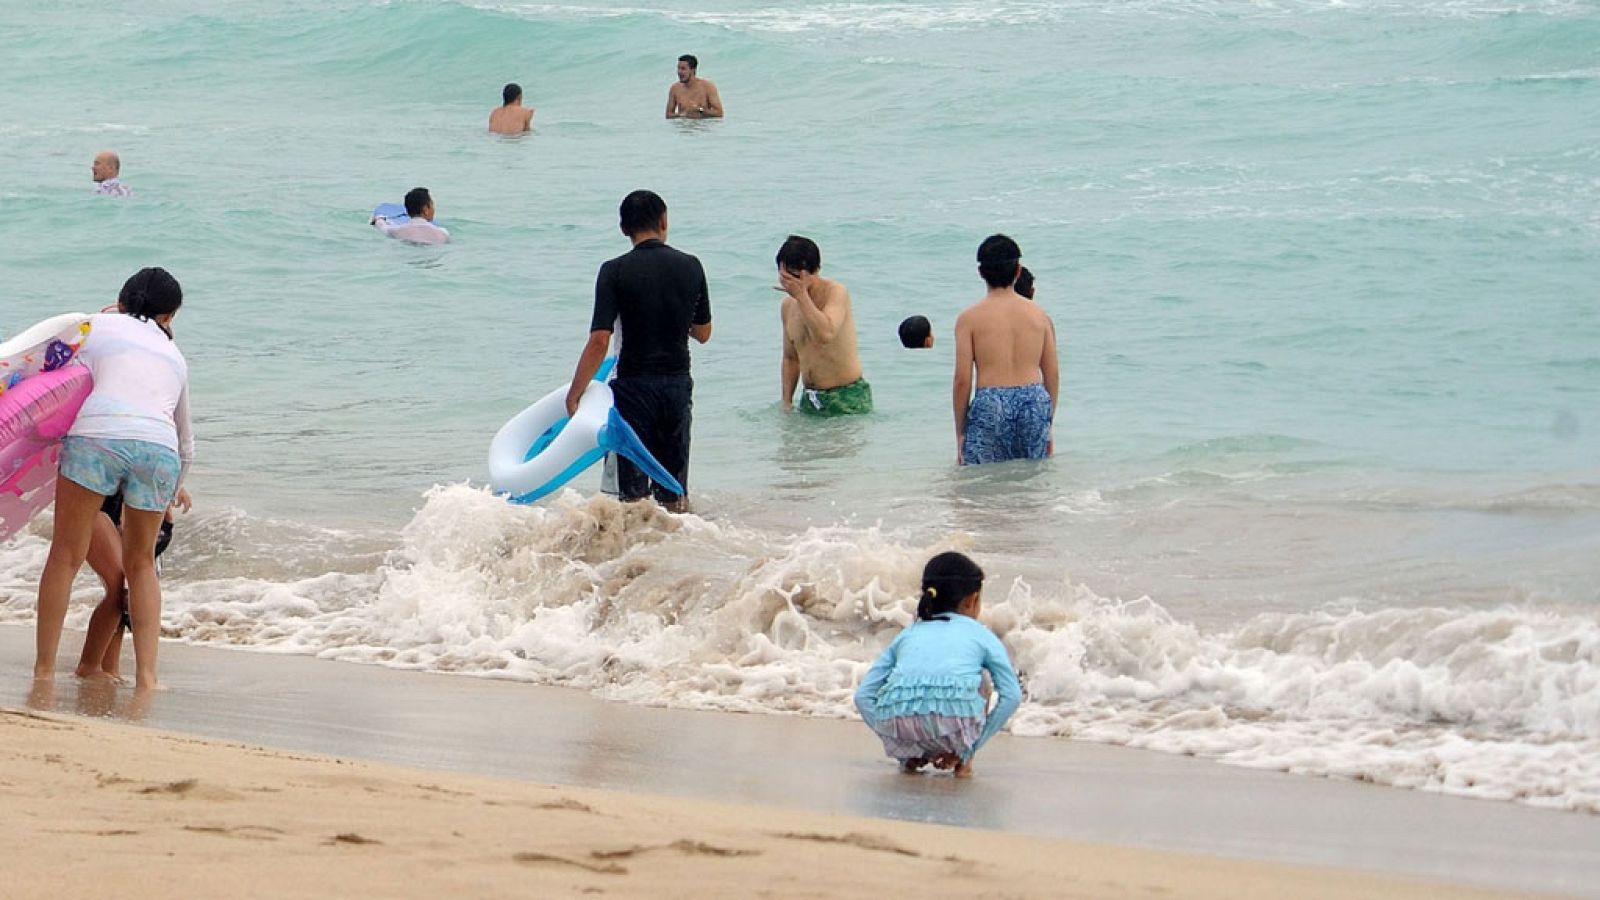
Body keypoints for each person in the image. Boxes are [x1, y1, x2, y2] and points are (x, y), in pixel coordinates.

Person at [33, 267, 193, 691]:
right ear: (170, 316)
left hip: (96, 436)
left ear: (120, 301)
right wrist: (176, 485)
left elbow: (45, 370)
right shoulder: (175, 356)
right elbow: (185, 440)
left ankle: (44, 673)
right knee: (141, 565)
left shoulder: (94, 326)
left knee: (65, 554)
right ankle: (147, 679)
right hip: (159, 449)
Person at [565, 190, 711, 513]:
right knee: (673, 488)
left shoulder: (613, 271)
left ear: (623, 228)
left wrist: (575, 393)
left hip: (632, 388)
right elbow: (703, 333)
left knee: (631, 496)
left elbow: (600, 341)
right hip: (676, 385)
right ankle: (676, 552)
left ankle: (636, 556)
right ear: (664, 220)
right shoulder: (691, 266)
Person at [855, 551, 1022, 778]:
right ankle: (963, 761)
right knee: (981, 680)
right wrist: (971, 745)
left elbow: (863, 696)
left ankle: (910, 758)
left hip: (900, 727)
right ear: (972, 600)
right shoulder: (981, 635)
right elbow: (1011, 695)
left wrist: (898, 741)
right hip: (957, 729)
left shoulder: (908, 634)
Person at [953, 235, 1058, 465]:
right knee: (1031, 480)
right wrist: (1048, 422)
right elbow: (1052, 374)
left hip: (990, 403)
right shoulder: (1040, 316)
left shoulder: (968, 319)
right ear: (1018, 270)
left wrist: (960, 433)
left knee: (981, 482)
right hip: (1033, 401)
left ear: (981, 273)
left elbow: (962, 380)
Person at [74, 487, 190, 680]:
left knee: (123, 589)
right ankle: (89, 665)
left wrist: (175, 487)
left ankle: (109, 668)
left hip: (129, 501)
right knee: (119, 587)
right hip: (96, 501)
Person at [776, 236, 870, 416]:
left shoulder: (836, 293)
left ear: (815, 270)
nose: (790, 283)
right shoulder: (788, 306)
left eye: (795, 276)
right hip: (811, 399)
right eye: (784, 276)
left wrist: (802, 296)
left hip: (847, 396)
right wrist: (786, 401)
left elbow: (825, 334)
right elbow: (790, 358)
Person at [372, 187, 450, 245]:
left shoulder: (396, 231)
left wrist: (379, 218)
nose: (433, 209)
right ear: (425, 209)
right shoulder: (442, 234)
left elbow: (381, 226)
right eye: (432, 205)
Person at [666, 54, 723, 119]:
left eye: (683, 69)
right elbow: (668, 115)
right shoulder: (675, 88)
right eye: (678, 68)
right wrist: (683, 115)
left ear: (693, 70)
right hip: (683, 127)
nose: (679, 72)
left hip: (703, 126)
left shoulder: (708, 86)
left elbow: (719, 113)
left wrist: (699, 110)